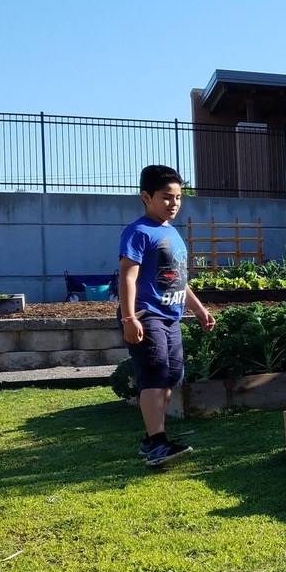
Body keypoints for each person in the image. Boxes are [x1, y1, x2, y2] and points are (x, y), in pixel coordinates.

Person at [119, 164, 216, 469]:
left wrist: (199, 310)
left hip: (171, 318)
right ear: (146, 197)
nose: (173, 203)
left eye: (178, 198)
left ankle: (151, 440)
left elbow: (179, 281)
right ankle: (159, 443)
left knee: (172, 376)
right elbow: (127, 276)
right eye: (166, 197)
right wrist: (129, 318)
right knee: (155, 374)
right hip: (146, 316)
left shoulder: (172, 232)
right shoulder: (138, 232)